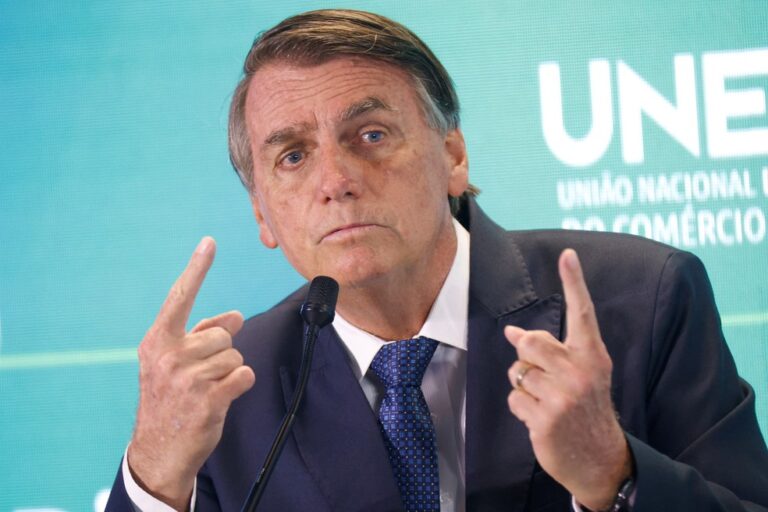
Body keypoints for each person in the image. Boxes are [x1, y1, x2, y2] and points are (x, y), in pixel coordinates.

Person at [107, 9, 768, 512]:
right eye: (293, 156)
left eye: (370, 135)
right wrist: (154, 474)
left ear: (453, 156)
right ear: (262, 214)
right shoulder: (229, 392)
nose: (335, 181)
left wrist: (614, 477)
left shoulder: (644, 298)